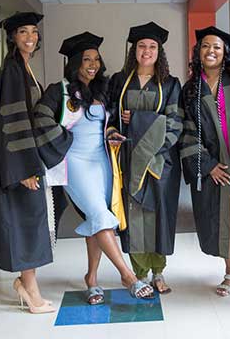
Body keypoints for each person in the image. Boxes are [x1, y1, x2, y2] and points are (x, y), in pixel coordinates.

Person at [33, 31, 153, 303]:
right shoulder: (59, 90)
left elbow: (107, 122)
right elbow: (40, 117)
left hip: (102, 161)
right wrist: (65, 139)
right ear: (75, 62)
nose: (92, 64)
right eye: (86, 59)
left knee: (96, 218)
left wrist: (112, 130)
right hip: (75, 163)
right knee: (99, 213)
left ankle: (92, 278)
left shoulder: (103, 88)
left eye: (96, 59)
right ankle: (127, 276)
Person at [180, 26, 230, 296]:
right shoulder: (191, 88)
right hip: (217, 162)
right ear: (198, 52)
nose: (211, 51)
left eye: (216, 46)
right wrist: (207, 163)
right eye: (205, 46)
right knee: (226, 215)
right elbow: (186, 130)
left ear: (225, 51)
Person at [107, 22, 182, 294]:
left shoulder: (171, 84)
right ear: (133, 50)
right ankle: (138, 272)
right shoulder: (119, 80)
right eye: (141, 46)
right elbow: (110, 119)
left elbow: (176, 122)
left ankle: (158, 272)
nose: (146, 51)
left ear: (159, 51)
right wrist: (115, 130)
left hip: (159, 162)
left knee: (158, 213)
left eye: (152, 47)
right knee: (134, 215)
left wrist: (138, 119)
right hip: (128, 160)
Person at [0, 12, 56, 314]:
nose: (30, 37)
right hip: (20, 164)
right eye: (22, 32)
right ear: (12, 38)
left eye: (34, 31)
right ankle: (30, 291)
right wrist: (25, 169)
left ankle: (25, 283)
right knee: (27, 223)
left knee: (28, 221)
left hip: (24, 161)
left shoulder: (24, 67)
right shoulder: (13, 70)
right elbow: (14, 121)